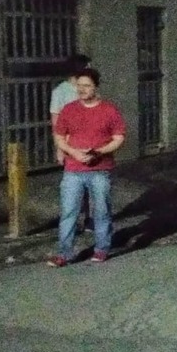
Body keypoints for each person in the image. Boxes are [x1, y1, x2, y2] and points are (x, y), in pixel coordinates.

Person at [47, 68, 126, 267]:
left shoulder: (109, 110)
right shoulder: (69, 110)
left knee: (101, 211)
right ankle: (64, 253)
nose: (82, 89)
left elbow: (118, 138)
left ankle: (101, 249)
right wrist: (72, 152)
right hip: (73, 170)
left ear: (96, 87)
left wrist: (99, 152)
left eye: (87, 86)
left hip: (100, 169)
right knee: (69, 212)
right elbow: (59, 136)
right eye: (79, 86)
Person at [50, 53, 93, 230]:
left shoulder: (89, 88)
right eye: (86, 66)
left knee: (90, 183)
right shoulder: (61, 92)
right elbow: (56, 121)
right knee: (72, 186)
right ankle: (73, 221)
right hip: (70, 144)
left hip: (90, 141)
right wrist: (59, 148)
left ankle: (89, 218)